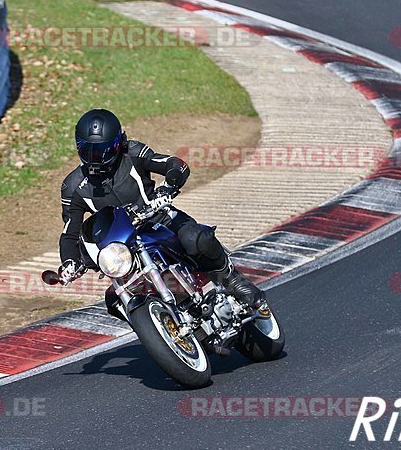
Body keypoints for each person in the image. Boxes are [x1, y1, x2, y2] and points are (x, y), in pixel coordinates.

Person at [57, 108, 265, 315]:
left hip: (159, 219)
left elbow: (174, 164)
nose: (96, 157)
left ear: (118, 143)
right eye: (88, 150)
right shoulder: (73, 186)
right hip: (123, 246)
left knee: (195, 238)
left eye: (103, 150)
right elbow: (69, 233)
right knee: (113, 301)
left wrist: (168, 187)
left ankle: (232, 279)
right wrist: (69, 262)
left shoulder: (134, 153)